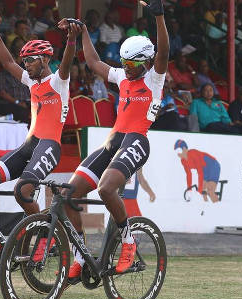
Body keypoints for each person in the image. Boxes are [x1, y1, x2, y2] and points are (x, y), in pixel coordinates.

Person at [62, 0, 169, 280]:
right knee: (68, 195)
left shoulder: (154, 79)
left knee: (106, 189)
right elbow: (94, 62)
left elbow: (165, 53)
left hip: (136, 140)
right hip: (113, 141)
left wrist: (158, 17)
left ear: (145, 61)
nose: (127, 68)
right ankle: (79, 255)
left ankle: (128, 241)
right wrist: (84, 31)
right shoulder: (122, 75)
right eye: (124, 63)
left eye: (133, 64)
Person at [0, 13, 78, 258]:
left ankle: (45, 237)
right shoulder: (32, 81)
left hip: (50, 146)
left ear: (44, 59)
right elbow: (8, 62)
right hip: (30, 144)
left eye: (30, 60)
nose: (26, 65)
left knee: (22, 192)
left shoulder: (58, 82)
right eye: (25, 61)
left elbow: (67, 62)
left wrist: (71, 38)